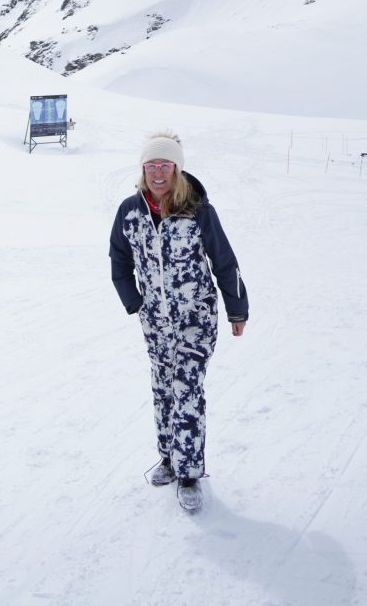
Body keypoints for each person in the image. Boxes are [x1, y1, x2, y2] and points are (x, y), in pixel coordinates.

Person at [109, 132, 248, 512]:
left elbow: (224, 261)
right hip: (155, 323)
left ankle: (189, 472)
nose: (157, 173)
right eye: (151, 166)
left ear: (177, 169)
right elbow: (118, 261)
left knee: (186, 388)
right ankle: (169, 458)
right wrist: (135, 302)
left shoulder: (198, 211)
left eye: (164, 166)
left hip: (196, 318)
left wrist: (237, 309)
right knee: (163, 390)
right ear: (143, 170)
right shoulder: (129, 212)